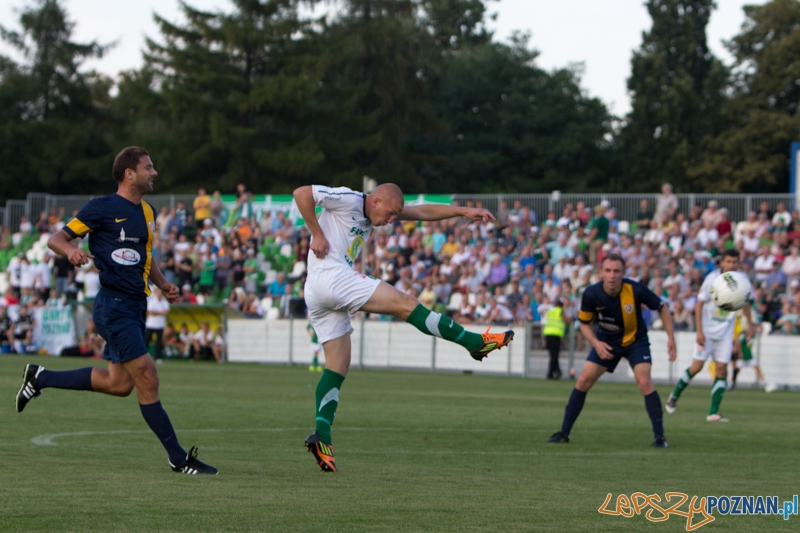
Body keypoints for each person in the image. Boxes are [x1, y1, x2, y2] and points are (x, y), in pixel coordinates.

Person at [16, 146, 216, 475]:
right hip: (114, 306)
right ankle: (178, 458)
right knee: (148, 377)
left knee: (119, 385)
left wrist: (164, 284)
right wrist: (70, 250)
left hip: (136, 304)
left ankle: (41, 377)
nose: (154, 173)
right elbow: (56, 238)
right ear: (129, 174)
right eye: (148, 167)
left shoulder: (148, 212)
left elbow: (144, 257)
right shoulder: (101, 207)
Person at [293, 183, 513, 472]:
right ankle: (474, 342)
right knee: (406, 304)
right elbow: (302, 193)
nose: (391, 220)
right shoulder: (348, 199)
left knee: (338, 366)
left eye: (396, 215)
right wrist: (317, 234)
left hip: (319, 289)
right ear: (376, 200)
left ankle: (322, 438)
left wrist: (463, 211)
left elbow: (421, 211)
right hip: (331, 278)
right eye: (390, 213)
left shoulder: (373, 211)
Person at [547, 254, 676, 448]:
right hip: (606, 342)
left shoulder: (635, 289)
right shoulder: (591, 294)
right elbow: (583, 324)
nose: (612, 275)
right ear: (600, 273)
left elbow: (662, 307)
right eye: (607, 271)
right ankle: (563, 432)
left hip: (635, 341)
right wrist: (597, 344)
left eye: (616, 271)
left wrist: (671, 339)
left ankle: (660, 438)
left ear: (623, 273)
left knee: (644, 381)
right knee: (583, 380)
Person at [665, 249, 756, 422]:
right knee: (696, 367)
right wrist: (699, 331)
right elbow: (699, 305)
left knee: (722, 369)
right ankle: (674, 395)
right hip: (706, 332)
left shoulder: (742, 281)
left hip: (725, 334)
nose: (731, 265)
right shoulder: (712, 279)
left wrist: (750, 325)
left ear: (738, 263)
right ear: (722, 263)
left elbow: (746, 304)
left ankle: (713, 413)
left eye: (734, 262)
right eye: (728, 261)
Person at [730, 307, 765, 390]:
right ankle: (731, 383)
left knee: (757, 368)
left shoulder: (752, 334)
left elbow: (760, 329)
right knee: (737, 369)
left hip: (749, 356)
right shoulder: (744, 334)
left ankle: (764, 382)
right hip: (743, 356)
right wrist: (740, 353)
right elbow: (738, 342)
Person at [543, 298, 570, 379]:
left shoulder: (550, 312)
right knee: (554, 356)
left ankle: (558, 372)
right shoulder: (560, 311)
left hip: (548, 334)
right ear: (561, 306)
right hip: (555, 335)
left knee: (552, 355)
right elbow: (567, 321)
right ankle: (550, 373)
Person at [144, 287, 170, 363]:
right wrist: (161, 312)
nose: (159, 294)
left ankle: (158, 357)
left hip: (160, 325)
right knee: (146, 341)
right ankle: (143, 357)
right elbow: (150, 312)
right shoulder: (152, 301)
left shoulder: (165, 302)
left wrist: (156, 312)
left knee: (159, 342)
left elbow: (166, 312)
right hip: (150, 325)